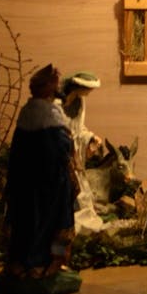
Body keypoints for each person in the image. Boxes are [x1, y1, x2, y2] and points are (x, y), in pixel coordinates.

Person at [0, 63, 81, 294]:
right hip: (50, 186)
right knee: (51, 224)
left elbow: (17, 153)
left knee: (26, 223)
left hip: (25, 184)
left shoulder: (27, 114)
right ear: (49, 89)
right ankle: (43, 265)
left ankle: (20, 263)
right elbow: (61, 148)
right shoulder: (50, 115)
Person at [60, 71, 105, 235]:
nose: (89, 92)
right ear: (78, 86)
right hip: (60, 151)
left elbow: (79, 129)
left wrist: (91, 137)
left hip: (74, 152)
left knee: (79, 187)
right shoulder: (58, 104)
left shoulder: (80, 102)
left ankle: (80, 220)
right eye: (88, 88)